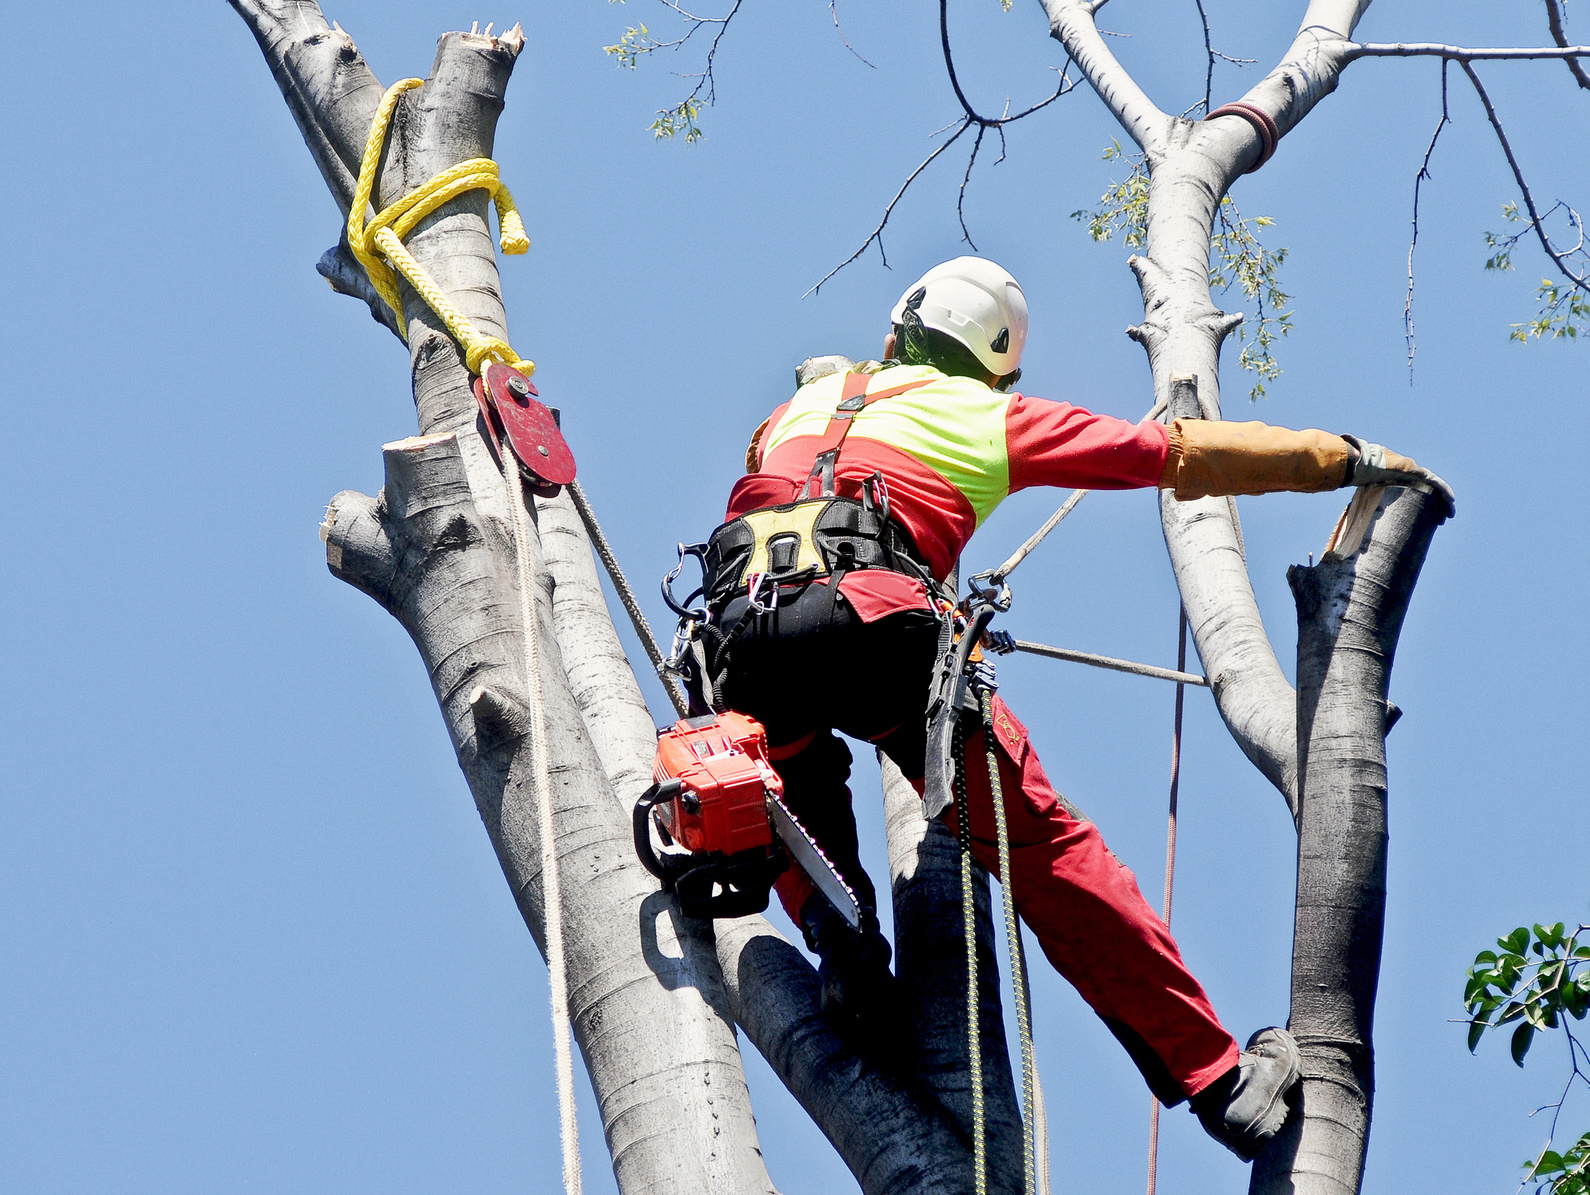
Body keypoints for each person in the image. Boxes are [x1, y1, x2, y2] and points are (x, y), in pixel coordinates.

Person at [679, 257, 1452, 1160]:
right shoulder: (988, 413)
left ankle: (835, 933)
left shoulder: (792, 413)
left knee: (788, 778)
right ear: (991, 365)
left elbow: (780, 479)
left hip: (740, 645)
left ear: (895, 336)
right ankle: (1221, 1082)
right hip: (875, 629)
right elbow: (1172, 456)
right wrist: (1340, 457)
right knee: (1047, 848)